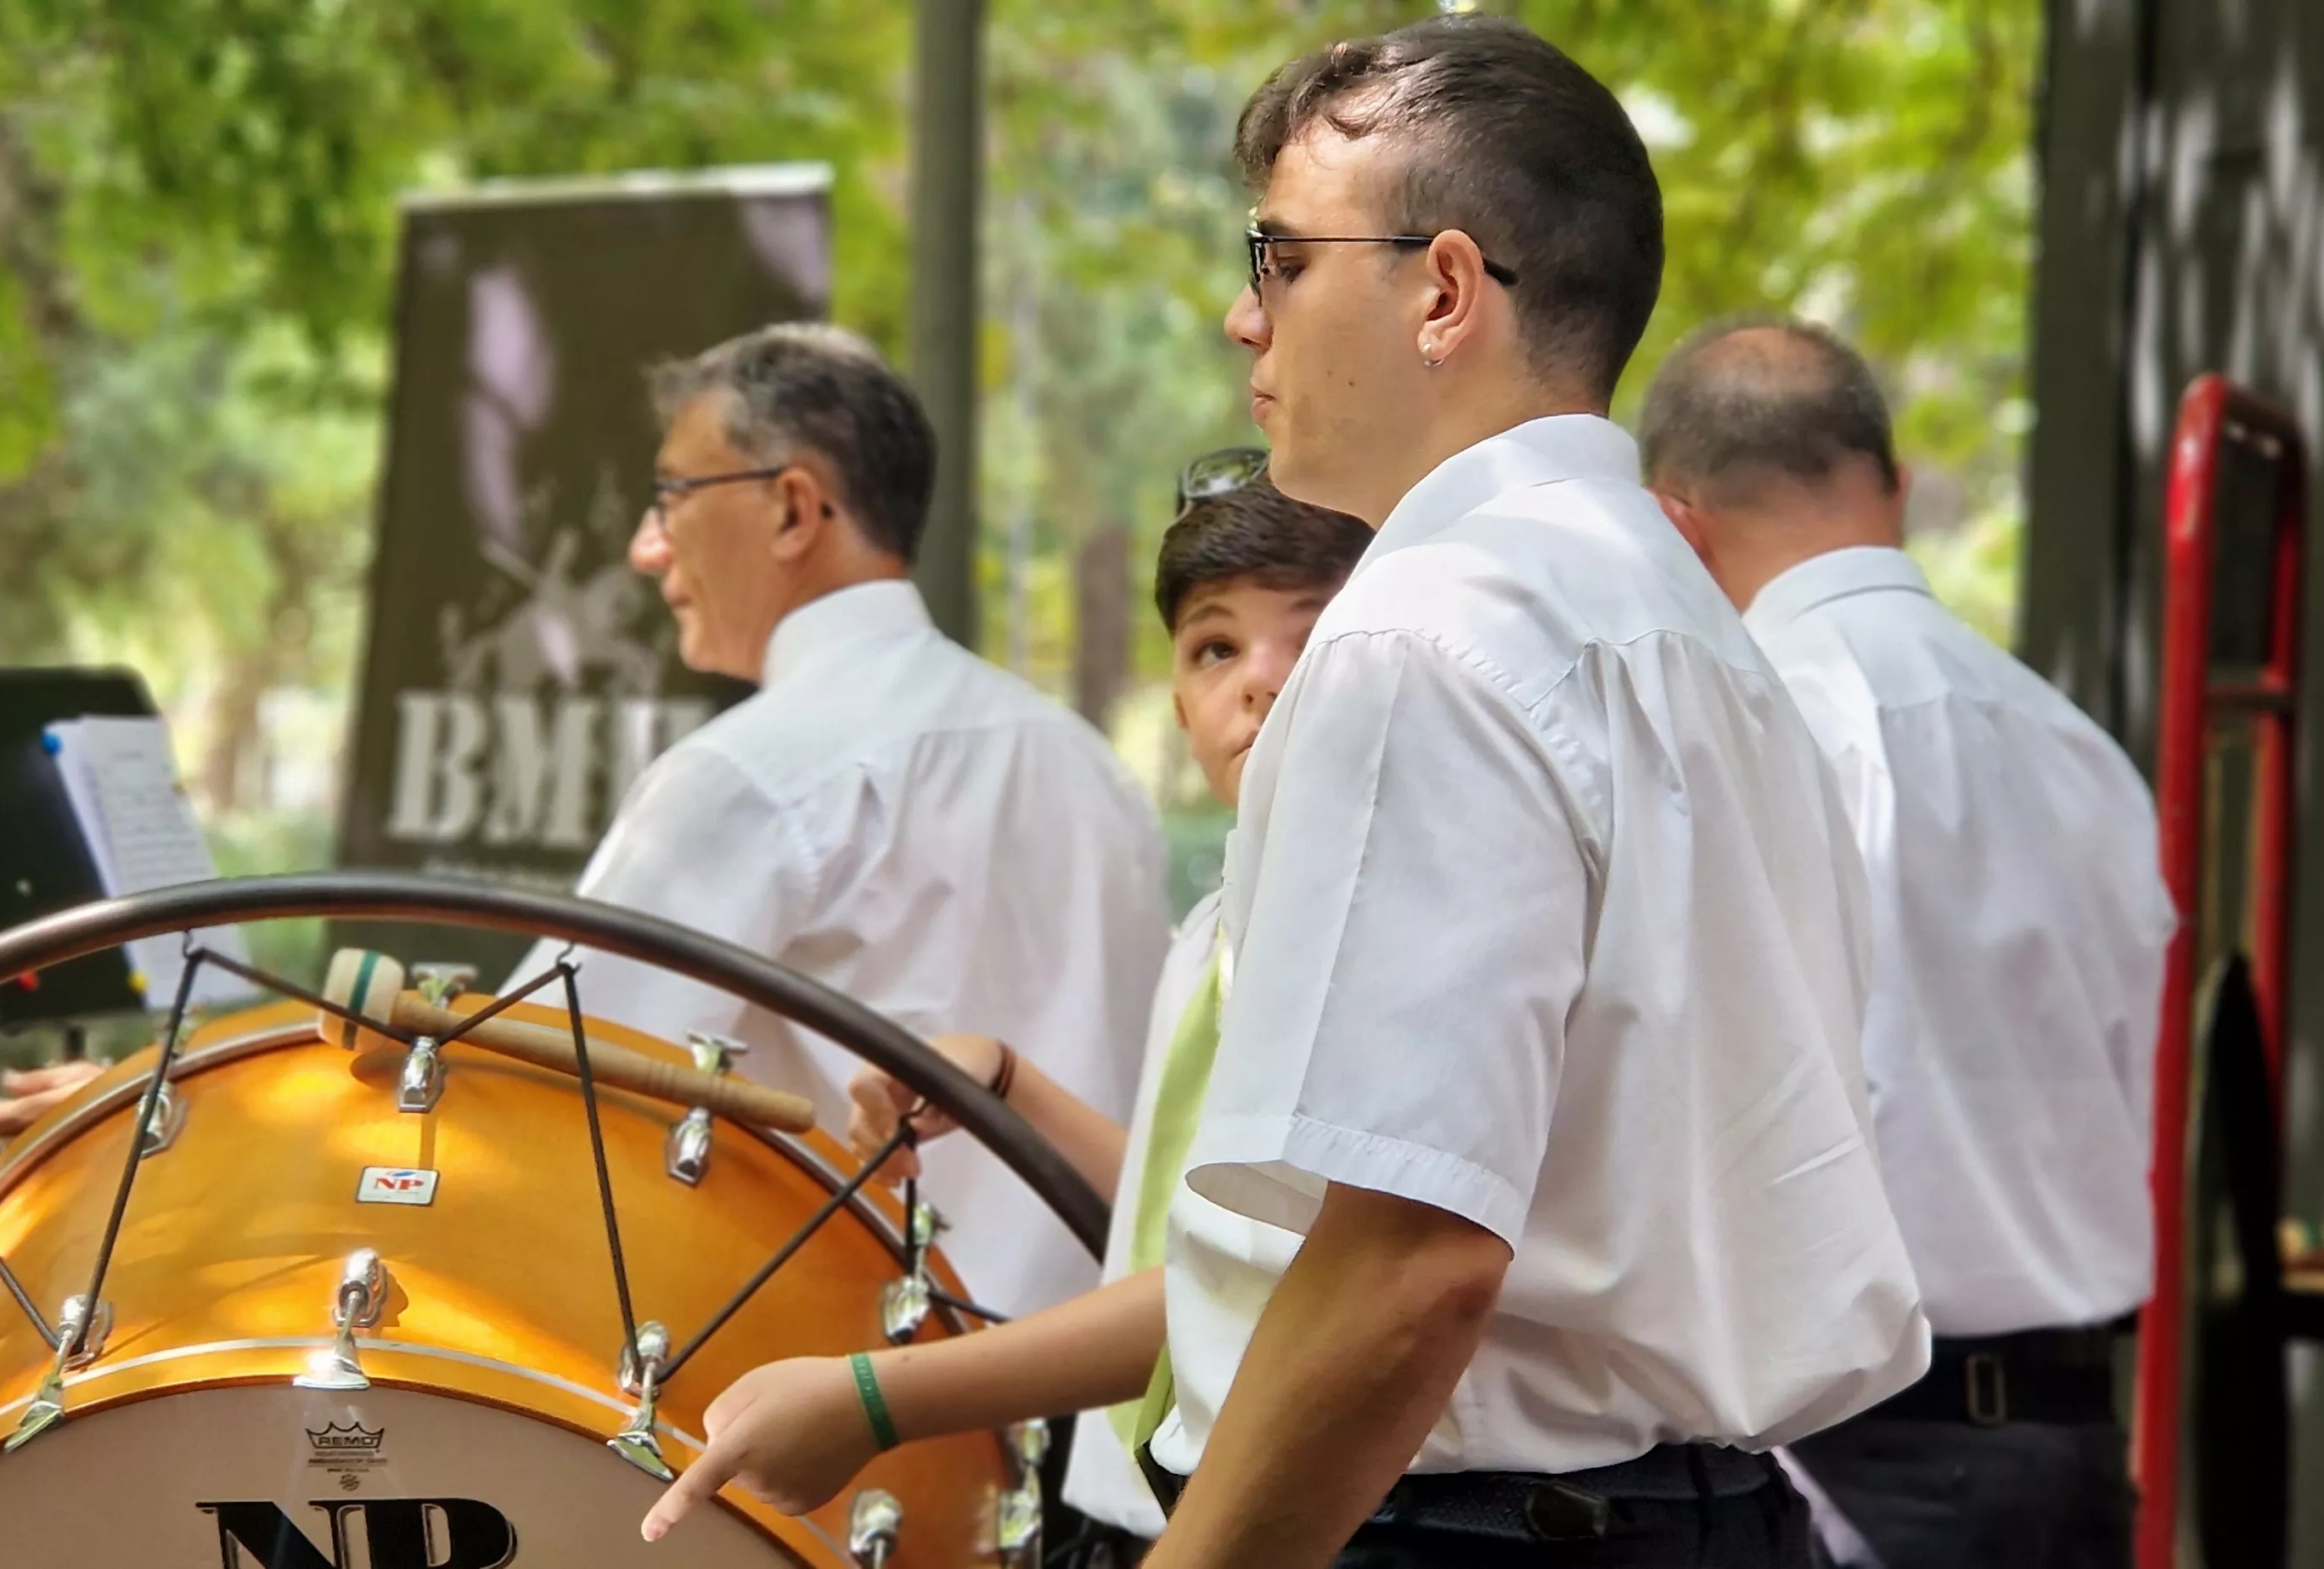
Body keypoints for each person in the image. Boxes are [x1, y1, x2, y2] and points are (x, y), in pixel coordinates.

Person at [650, 25, 1922, 1567]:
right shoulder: (1694, 633)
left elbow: (1407, 1263)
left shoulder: (1428, 631)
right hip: (1698, 1508)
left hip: (1457, 1524)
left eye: (1280, 257)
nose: (1240, 317)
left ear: (1443, 290)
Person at [492, 321, 1169, 1329]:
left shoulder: (751, 775)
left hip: (869, 1417)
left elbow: (533, 1088)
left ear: (793, 509)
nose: (646, 547)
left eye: (673, 495)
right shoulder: (1087, 763)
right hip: (1115, 1400)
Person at [1639, 316, 2170, 1569]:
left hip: (1846, 1455)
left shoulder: (1757, 726)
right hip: (2074, 1442)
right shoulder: (2077, 747)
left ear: (1675, 523)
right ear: (1898, 487)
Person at [805, 465, 1370, 1568]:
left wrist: (874, 1400)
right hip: (1122, 1499)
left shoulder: (1365, 933)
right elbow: (1192, 1226)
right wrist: (1011, 1084)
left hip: (1248, 1511)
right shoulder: (1211, 930)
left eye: (1311, 636)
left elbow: (1258, 1291)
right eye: (1216, 649)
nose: (1258, 682)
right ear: (1176, 700)